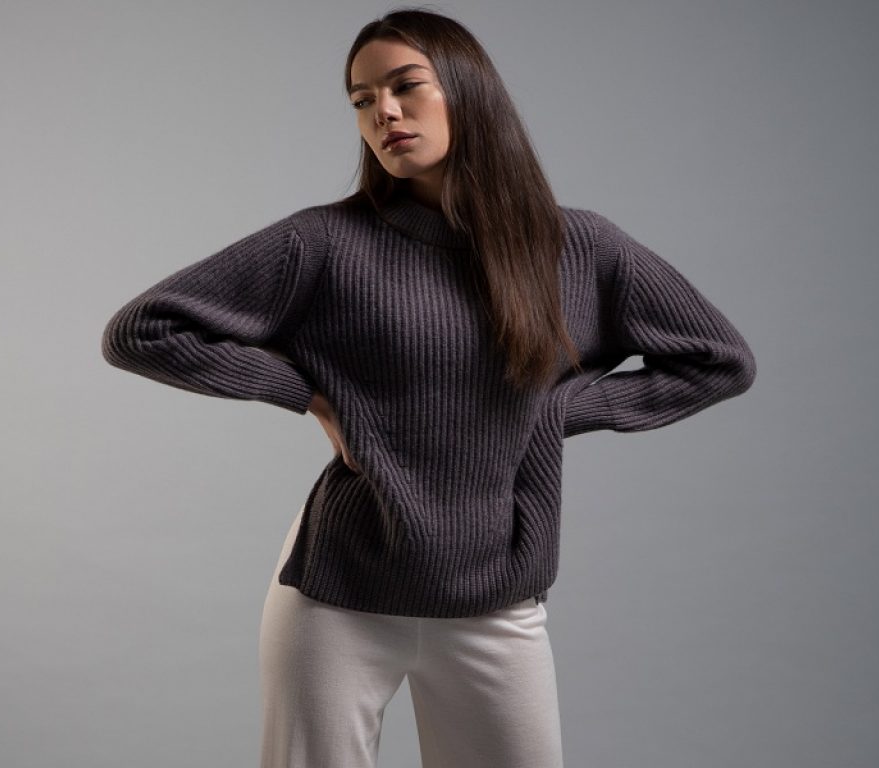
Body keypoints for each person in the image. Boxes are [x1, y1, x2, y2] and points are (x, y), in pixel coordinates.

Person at [100, 8, 757, 768]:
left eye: (405, 86)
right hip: (339, 594)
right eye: (361, 99)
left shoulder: (578, 247)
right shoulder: (324, 242)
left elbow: (720, 359)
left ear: (468, 89)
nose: (382, 112)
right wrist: (309, 395)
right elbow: (141, 330)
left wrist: (558, 410)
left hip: (497, 594)